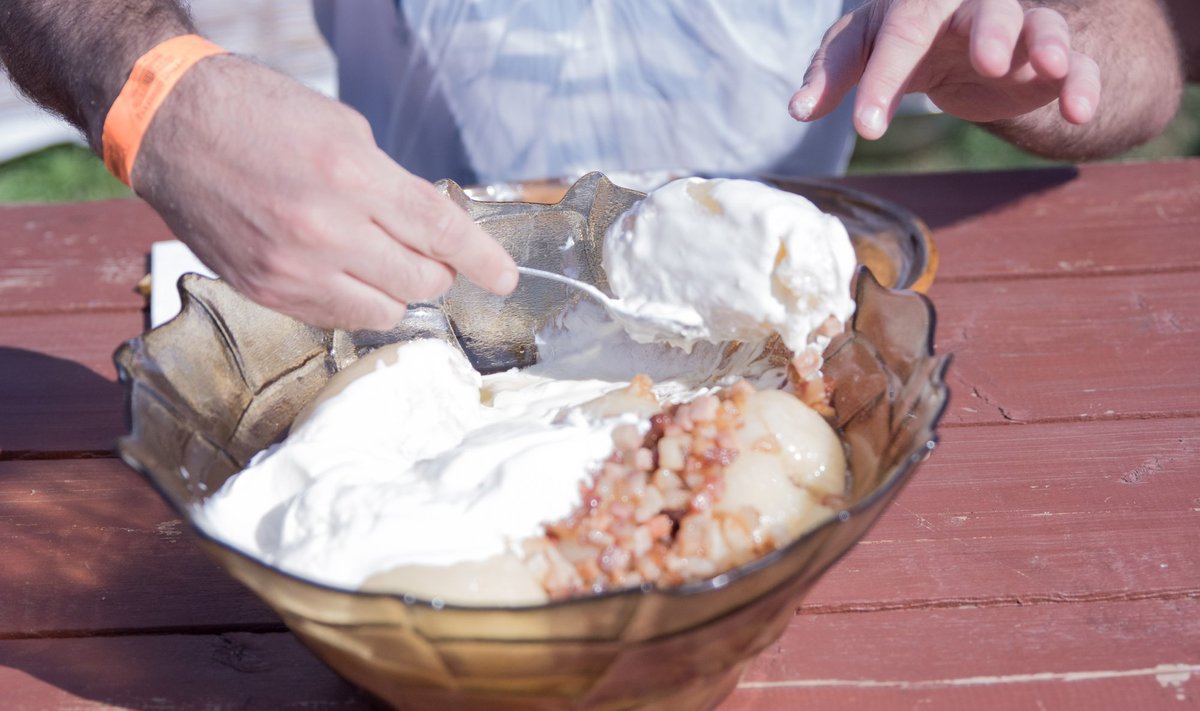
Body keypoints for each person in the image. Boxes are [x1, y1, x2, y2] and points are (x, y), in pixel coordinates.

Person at [0, 1, 1183, 332]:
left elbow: (1159, 39)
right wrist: (155, 98)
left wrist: (1057, 50)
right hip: (399, 304)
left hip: (773, 330)